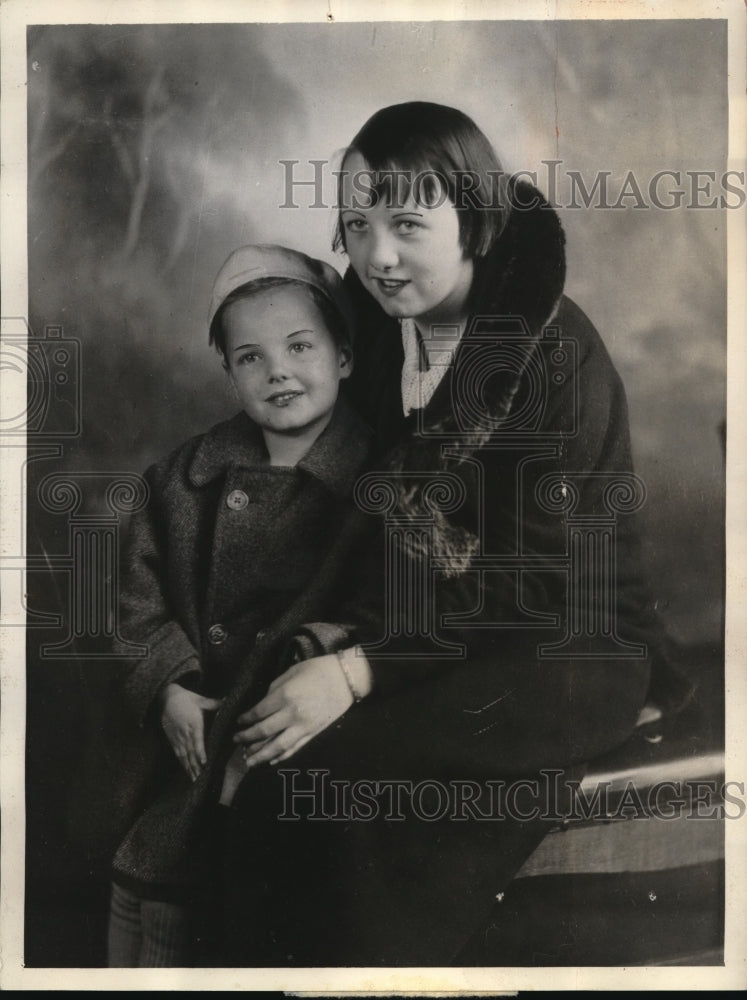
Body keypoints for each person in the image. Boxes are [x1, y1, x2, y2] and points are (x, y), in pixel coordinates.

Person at [219, 103, 691, 967]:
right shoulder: (377, 324)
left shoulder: (549, 355)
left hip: (565, 643)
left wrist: (358, 672)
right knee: (268, 761)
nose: (376, 255)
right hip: (432, 629)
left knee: (343, 792)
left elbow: (534, 587)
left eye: (406, 223)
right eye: (355, 225)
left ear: (475, 219)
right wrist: (332, 632)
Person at [105, 244, 375, 966]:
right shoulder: (181, 480)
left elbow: (386, 609)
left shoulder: (382, 483)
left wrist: (316, 649)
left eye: (298, 346)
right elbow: (137, 599)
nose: (276, 370)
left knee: (242, 922)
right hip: (184, 741)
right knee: (143, 898)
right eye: (249, 357)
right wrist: (166, 684)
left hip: (293, 748)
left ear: (343, 356)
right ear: (227, 371)